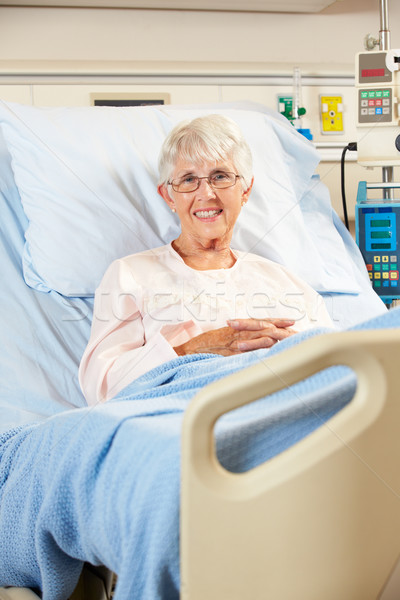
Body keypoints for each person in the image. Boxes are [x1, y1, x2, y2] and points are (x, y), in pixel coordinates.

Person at [79, 114, 333, 406]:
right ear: (169, 196)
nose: (207, 194)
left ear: (246, 189)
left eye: (220, 176)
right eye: (188, 180)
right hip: (182, 421)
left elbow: (340, 365)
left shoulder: (282, 280)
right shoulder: (130, 275)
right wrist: (191, 349)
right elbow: (101, 388)